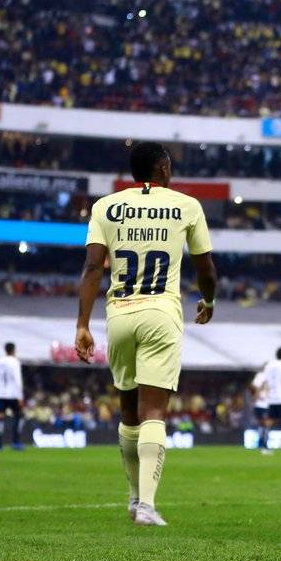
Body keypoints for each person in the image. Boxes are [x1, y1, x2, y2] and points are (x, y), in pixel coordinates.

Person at [76, 141, 218, 527]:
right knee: (153, 411)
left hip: (118, 314)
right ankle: (146, 508)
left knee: (128, 410)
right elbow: (204, 267)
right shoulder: (186, 205)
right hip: (160, 313)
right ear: (163, 169)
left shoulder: (105, 207)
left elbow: (92, 269)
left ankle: (134, 497)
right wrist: (208, 300)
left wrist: (82, 324)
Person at [0, 343, 25, 451]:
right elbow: (17, 379)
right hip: (12, 394)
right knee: (18, 416)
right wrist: (20, 395)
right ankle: (15, 442)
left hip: (0, 393)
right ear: (13, 350)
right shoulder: (15, 361)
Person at [249, 362, 272, 455]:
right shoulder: (261, 375)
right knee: (265, 424)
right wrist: (256, 394)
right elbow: (254, 386)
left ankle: (261, 443)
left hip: (266, 404)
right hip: (261, 404)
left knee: (263, 425)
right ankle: (264, 445)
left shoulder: (270, 377)